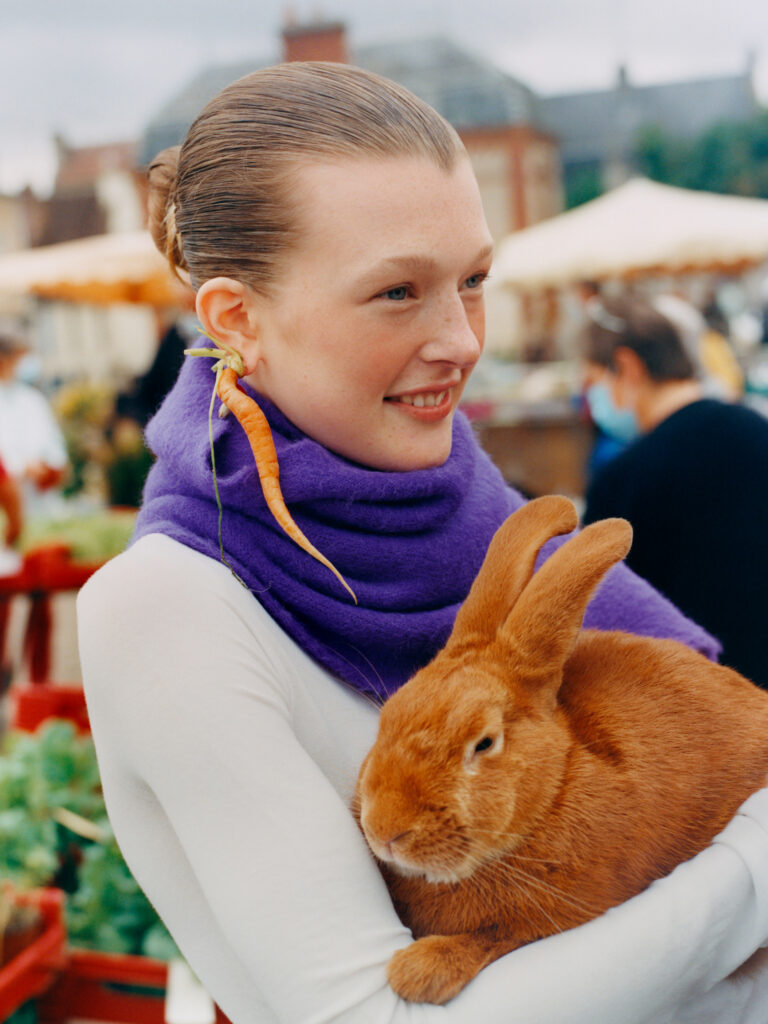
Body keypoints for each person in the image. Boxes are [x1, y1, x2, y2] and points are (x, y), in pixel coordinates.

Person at [77, 64, 768, 1023]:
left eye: (475, 281)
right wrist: (753, 870)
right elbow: (382, 1017)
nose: (461, 338)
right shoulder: (164, 610)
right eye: (398, 292)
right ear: (238, 318)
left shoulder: (486, 521)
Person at [582, 293, 768, 691]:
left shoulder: (624, 479)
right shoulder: (758, 430)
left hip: (697, 710)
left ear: (628, 366)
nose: (593, 398)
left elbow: (600, 621)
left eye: (595, 381)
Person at [0, 330, 68, 519]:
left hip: (41, 500)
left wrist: (50, 466)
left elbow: (54, 445)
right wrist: (21, 467)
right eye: (21, 356)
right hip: (7, 502)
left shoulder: (32, 399)